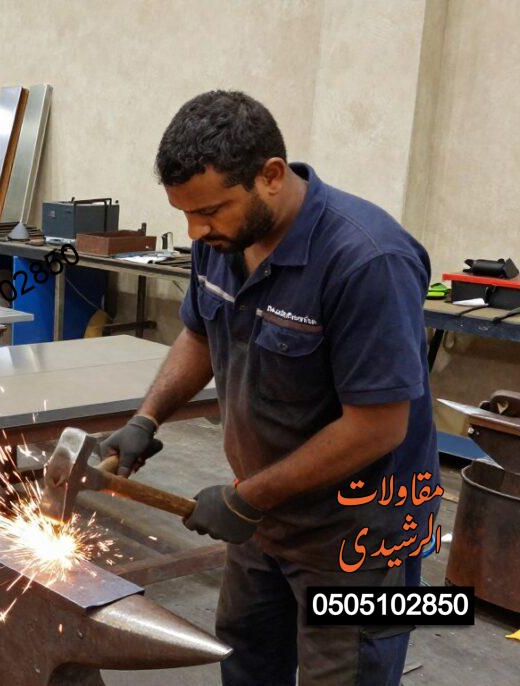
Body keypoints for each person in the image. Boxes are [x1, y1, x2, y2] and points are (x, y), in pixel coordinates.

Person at [99, 91, 437, 685]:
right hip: (263, 516)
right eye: (185, 213)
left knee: (344, 675)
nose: (196, 231)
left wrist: (246, 498)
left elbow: (379, 426)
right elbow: (201, 333)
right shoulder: (220, 243)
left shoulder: (367, 261)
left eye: (210, 211)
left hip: (358, 535)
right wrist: (146, 419)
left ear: (271, 175)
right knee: (247, 661)